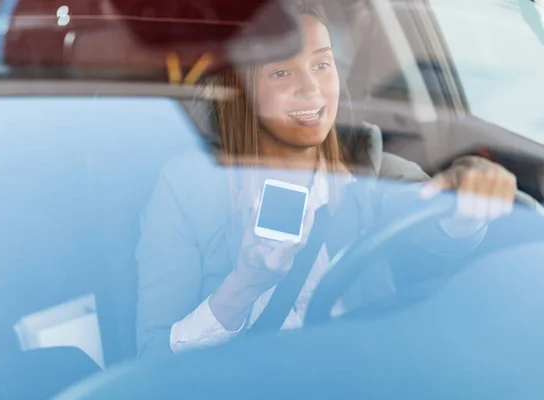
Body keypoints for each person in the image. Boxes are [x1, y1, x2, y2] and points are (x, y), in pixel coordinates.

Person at [135, 0, 517, 362]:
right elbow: (153, 360)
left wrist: (466, 206)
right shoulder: (189, 186)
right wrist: (244, 286)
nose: (311, 89)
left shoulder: (370, 166)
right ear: (244, 91)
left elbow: (434, 216)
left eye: (322, 65)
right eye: (282, 72)